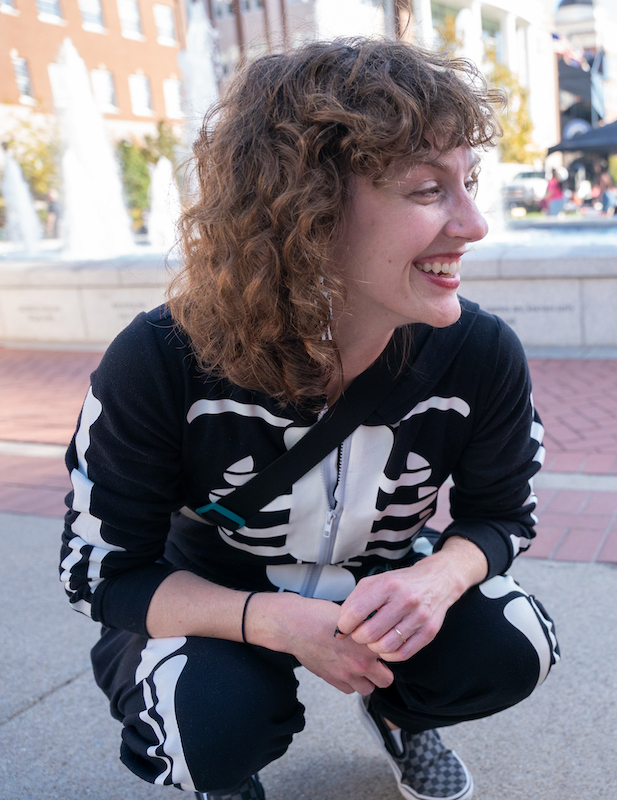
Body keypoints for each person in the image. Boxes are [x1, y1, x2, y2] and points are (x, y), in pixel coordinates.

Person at [59, 39, 559, 800]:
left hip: (379, 580)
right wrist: (273, 620)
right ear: (309, 211)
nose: (476, 223)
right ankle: (224, 768)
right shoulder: (162, 357)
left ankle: (401, 718)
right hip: (218, 593)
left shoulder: (479, 352)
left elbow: (501, 518)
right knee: (204, 733)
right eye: (429, 190)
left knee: (513, 643)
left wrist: (432, 580)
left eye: (470, 183)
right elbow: (101, 570)